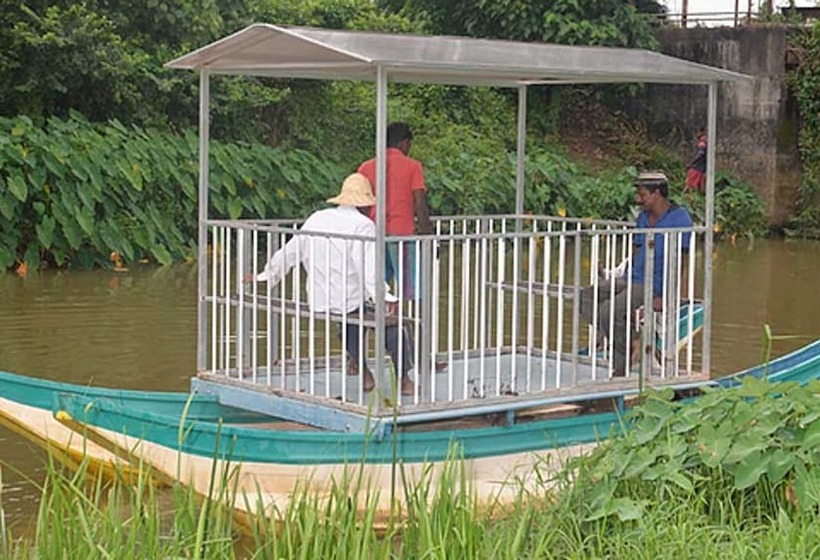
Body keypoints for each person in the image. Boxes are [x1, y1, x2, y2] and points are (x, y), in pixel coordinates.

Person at [248, 173, 416, 396]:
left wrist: (266, 275)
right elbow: (367, 270)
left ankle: (364, 370)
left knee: (350, 322)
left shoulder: (317, 218)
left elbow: (291, 251)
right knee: (398, 326)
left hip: (319, 300)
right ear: (366, 205)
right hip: (348, 300)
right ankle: (405, 379)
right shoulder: (363, 226)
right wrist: (386, 297)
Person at [580, 172, 693, 376]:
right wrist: (621, 276)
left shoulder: (680, 218)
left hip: (652, 284)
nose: (638, 200)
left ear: (657, 193)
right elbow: (636, 249)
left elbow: (680, 261)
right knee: (587, 296)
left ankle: (620, 367)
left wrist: (667, 295)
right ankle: (632, 339)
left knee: (609, 311)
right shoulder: (643, 218)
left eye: (643, 195)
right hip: (632, 278)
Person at [358, 122, 433, 300]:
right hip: (402, 236)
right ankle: (410, 322)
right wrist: (427, 235)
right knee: (411, 290)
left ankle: (380, 321)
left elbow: (361, 204)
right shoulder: (413, 166)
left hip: (374, 235)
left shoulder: (366, 167)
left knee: (376, 286)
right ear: (404, 143)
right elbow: (419, 201)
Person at [684, 129, 707, 193]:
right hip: (703, 168)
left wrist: (691, 163)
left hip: (697, 167)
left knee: (689, 184)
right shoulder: (706, 142)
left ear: (701, 132)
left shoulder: (702, 143)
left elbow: (700, 154)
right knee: (701, 187)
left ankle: (683, 197)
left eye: (697, 132)